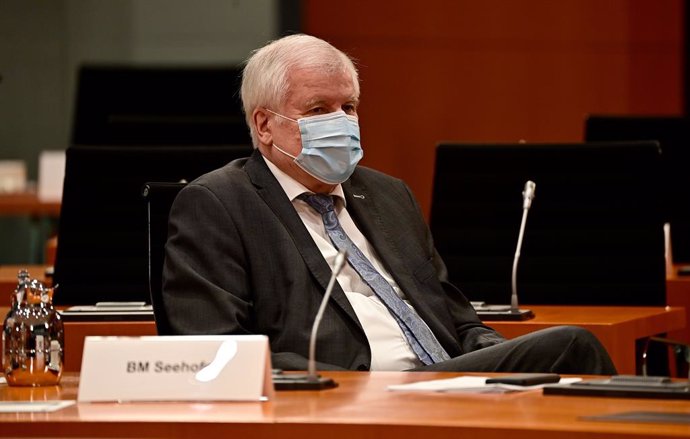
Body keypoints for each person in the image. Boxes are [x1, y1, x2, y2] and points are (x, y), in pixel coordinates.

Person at [162, 33, 616, 374]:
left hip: (444, 382)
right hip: (350, 392)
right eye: (319, 110)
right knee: (573, 346)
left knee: (560, 357)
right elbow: (215, 348)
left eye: (350, 107)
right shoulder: (218, 203)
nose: (341, 123)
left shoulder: (386, 194)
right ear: (264, 124)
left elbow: (457, 321)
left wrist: (499, 364)